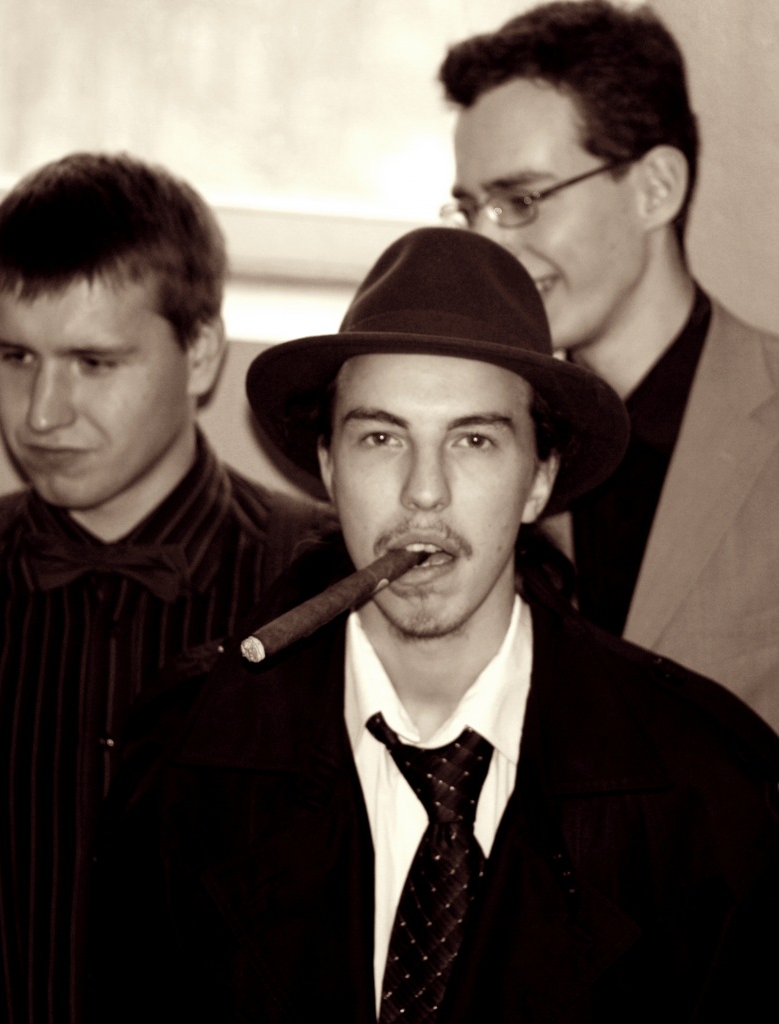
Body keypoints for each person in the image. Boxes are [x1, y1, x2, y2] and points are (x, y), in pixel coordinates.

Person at [94, 227, 779, 1023]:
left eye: (474, 440)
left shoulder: (711, 793)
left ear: (539, 479)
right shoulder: (179, 760)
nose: (424, 492)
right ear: (328, 466)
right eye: (381, 437)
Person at [0, 152, 329, 1023]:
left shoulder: (315, 586)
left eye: (94, 362)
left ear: (200, 353)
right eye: (15, 355)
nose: (42, 412)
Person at [438, 0, 779, 731]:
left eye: (521, 199)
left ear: (656, 189)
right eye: (471, 210)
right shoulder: (483, 433)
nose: (488, 246)